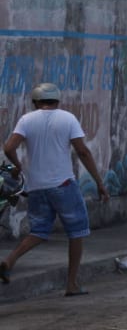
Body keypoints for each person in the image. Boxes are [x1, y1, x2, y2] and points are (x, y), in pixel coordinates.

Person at [0, 82, 109, 295]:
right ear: (57, 100)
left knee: (39, 231)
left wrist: (17, 166)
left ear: (35, 102)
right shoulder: (67, 118)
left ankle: (9, 260)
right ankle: (71, 284)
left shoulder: (26, 120)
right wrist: (99, 182)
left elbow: (8, 147)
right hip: (64, 185)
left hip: (37, 187)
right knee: (77, 232)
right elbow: (83, 152)